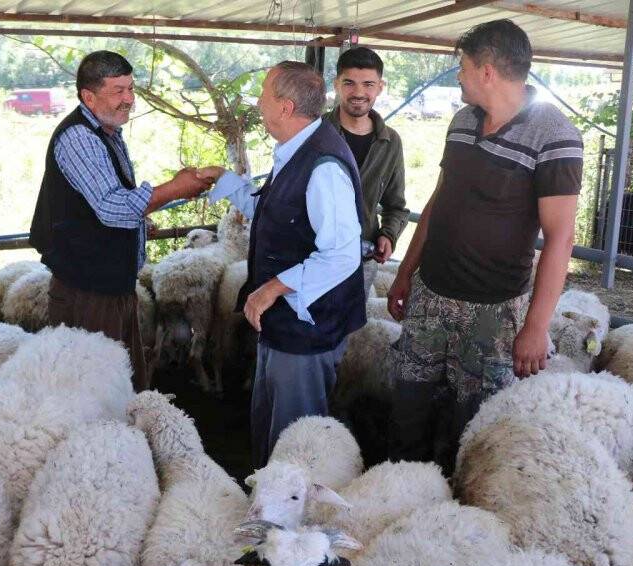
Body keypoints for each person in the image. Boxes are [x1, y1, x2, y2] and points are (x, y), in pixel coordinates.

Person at [385, 19, 583, 476]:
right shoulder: (461, 122)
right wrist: (404, 272)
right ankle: (400, 488)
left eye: (464, 66)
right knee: (408, 403)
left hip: (492, 312)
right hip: (431, 294)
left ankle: (458, 509)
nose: (459, 75)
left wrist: (536, 327)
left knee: (471, 423)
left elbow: (560, 239)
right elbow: (439, 200)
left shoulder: (553, 136)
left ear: (487, 71)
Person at [198, 61, 367, 468]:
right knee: (271, 425)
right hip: (284, 325)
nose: (258, 102)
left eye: (264, 94)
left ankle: (292, 524)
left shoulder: (323, 166)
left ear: (286, 107)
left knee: (295, 445)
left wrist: (272, 287)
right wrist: (224, 180)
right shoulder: (298, 150)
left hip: (307, 331)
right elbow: (272, 210)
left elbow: (343, 254)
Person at [29, 51, 211, 390]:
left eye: (130, 88)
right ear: (88, 96)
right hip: (89, 294)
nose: (129, 99)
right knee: (95, 391)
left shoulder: (107, 131)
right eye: (118, 91)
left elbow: (99, 206)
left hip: (109, 288)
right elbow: (113, 207)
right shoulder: (80, 138)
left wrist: (138, 227)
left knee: (119, 385)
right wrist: (174, 189)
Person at [323, 46, 409, 294]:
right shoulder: (316, 134)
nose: (359, 93)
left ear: (380, 87)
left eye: (368, 84)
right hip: (312, 257)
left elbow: (396, 205)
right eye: (349, 83)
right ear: (337, 84)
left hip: (361, 261)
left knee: (347, 331)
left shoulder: (390, 142)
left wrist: (388, 235)